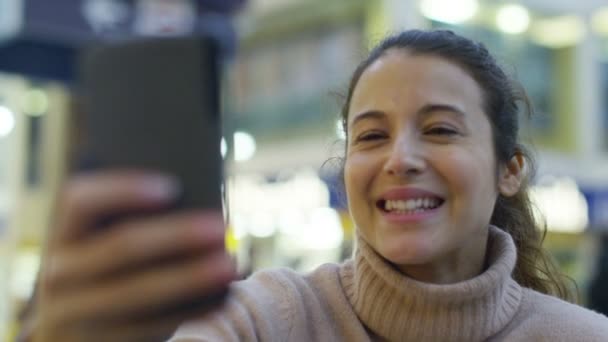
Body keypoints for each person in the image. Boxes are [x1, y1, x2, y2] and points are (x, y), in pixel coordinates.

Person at [29, 29, 608, 342]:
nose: (400, 158)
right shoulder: (266, 318)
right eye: (371, 136)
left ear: (510, 169)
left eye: (439, 129)